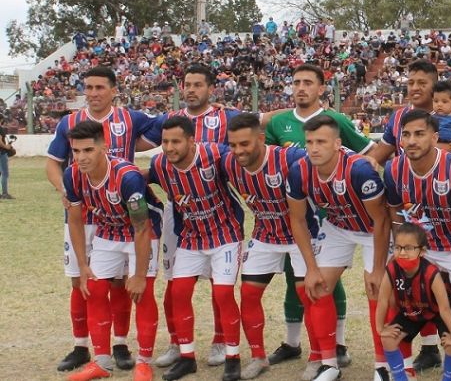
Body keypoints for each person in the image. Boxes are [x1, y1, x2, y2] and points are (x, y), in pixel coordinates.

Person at [46, 66, 158, 373]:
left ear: (113, 91)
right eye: (88, 87)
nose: (93, 93)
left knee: (122, 282)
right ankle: (82, 347)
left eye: (99, 87)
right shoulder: (70, 122)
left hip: (121, 212)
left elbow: (165, 130)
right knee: (82, 281)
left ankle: (120, 344)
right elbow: (53, 163)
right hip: (84, 209)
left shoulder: (129, 119)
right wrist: (65, 192)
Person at [264, 63, 376, 370]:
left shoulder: (336, 120)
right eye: (296, 82)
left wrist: (356, 179)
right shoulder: (279, 122)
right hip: (296, 209)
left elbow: (369, 150)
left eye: (308, 83)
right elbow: (270, 164)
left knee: (333, 282)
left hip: (335, 212)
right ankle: (293, 342)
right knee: (297, 278)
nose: (301, 88)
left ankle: (337, 345)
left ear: (321, 88)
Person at [286, 114, 391, 381]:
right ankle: (329, 364)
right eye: (309, 142)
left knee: (377, 290)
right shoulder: (299, 170)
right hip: (336, 227)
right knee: (317, 287)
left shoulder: (359, 170)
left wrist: (378, 269)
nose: (314, 148)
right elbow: (297, 220)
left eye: (321, 141)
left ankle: (383, 365)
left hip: (371, 230)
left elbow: (381, 220)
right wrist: (310, 268)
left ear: (337, 144)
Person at [383, 109, 451, 379]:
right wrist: (399, 248)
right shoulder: (393, 170)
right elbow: (394, 211)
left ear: (435, 137)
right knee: (401, 298)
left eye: (419, 134)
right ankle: (403, 369)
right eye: (406, 135)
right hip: (421, 247)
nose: (412, 141)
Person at [62, 121, 163, 381]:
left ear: (103, 148)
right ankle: (102, 363)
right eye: (76, 151)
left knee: (142, 292)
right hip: (108, 229)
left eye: (88, 150)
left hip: (142, 230)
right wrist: (83, 265)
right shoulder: (72, 175)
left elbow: (142, 227)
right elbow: (74, 219)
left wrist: (139, 275)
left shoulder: (127, 177)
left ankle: (144, 362)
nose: (81, 157)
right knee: (94, 290)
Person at [148, 116, 245, 381]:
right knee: (178, 293)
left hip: (225, 233)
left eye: (176, 141)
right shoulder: (159, 164)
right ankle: (187, 356)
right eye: (165, 142)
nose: (169, 147)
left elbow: (244, 162)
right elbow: (139, 181)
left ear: (191, 141)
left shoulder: (215, 154)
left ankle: (232, 357)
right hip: (191, 236)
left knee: (223, 293)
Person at [220, 113, 309, 379]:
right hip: (264, 234)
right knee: (248, 294)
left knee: (310, 296)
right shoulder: (228, 163)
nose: (238, 151)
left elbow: (328, 159)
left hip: (301, 235)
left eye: (245, 144)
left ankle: (320, 358)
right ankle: (258, 356)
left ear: (261, 138)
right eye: (233, 145)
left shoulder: (289, 159)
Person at [374, 221, 451, 381]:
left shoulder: (431, 273)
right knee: (388, 339)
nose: (402, 252)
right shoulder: (392, 269)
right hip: (411, 312)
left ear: (422, 251)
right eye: (398, 247)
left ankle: (448, 378)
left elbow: (444, 309)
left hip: (436, 312)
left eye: (408, 248)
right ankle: (401, 378)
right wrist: (381, 329)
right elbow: (382, 301)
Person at [0, 116, 12, 199]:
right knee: (5, 173)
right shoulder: (0, 129)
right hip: (1, 152)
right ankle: (4, 193)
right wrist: (6, 147)